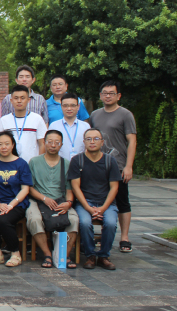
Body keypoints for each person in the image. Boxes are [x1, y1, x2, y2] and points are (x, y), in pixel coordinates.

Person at [89, 80, 136, 255]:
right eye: (105, 93)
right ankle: (102, 234)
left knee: (122, 201)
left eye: (111, 93)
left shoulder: (125, 114)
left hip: (119, 165)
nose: (108, 96)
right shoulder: (95, 115)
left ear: (118, 96)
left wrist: (129, 166)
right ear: (100, 95)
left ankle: (124, 237)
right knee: (101, 200)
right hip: (98, 165)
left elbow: (132, 141)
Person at [68, 128, 121, 270]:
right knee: (85, 223)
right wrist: (88, 208)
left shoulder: (110, 161)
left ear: (102, 142)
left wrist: (103, 208)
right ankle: (90, 255)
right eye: (89, 139)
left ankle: (104, 256)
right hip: (85, 203)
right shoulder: (77, 160)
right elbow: (75, 187)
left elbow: (114, 187)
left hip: (106, 203)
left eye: (96, 139)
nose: (92, 142)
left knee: (111, 223)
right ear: (84, 142)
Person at [27, 130, 79, 269]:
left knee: (74, 220)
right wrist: (44, 198)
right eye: (50, 142)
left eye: (57, 142)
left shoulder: (66, 163)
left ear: (61, 144)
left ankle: (64, 255)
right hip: (38, 199)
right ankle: (47, 254)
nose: (53, 145)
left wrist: (68, 203)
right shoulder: (34, 162)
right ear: (44, 143)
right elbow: (29, 188)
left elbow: (69, 189)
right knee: (34, 219)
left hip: (60, 200)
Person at [0, 131, 32, 267]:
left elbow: (25, 189)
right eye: (0, 144)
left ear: (13, 145)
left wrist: (11, 205)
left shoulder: (21, 164)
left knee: (4, 220)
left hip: (16, 203)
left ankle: (15, 253)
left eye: (7, 144)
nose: (3, 147)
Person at [0, 85, 47, 162]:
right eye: (16, 98)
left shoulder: (37, 119)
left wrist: (39, 162)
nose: (19, 101)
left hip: (31, 163)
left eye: (22, 98)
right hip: (9, 164)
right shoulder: (4, 120)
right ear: (11, 100)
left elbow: (42, 143)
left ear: (28, 100)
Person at [48, 92, 90, 160]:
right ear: (61, 106)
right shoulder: (54, 126)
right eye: (65, 105)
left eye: (73, 105)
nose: (69, 108)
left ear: (78, 107)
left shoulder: (85, 126)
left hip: (81, 163)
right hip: (60, 163)